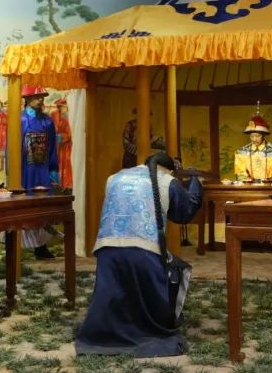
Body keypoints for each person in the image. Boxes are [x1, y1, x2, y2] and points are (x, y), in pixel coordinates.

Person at [75, 152, 203, 357]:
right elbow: (185, 212)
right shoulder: (168, 181)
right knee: (173, 271)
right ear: (169, 170)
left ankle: (106, 335)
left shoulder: (114, 178)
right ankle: (148, 331)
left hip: (107, 251)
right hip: (145, 253)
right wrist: (195, 182)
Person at [20, 85, 61, 259]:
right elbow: (12, 149)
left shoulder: (47, 122)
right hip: (25, 171)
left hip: (42, 171)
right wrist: (13, 172)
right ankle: (17, 248)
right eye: (37, 97)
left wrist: (53, 170)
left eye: (42, 97)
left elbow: (52, 148)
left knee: (42, 207)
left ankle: (41, 247)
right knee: (23, 206)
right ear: (27, 99)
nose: (41, 100)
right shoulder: (20, 120)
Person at [232, 107, 272, 184]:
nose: (254, 139)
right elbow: (240, 172)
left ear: (263, 135)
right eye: (252, 136)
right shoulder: (242, 152)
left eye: (257, 136)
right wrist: (247, 184)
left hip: (269, 185)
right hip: (248, 186)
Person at [51, 97, 74, 189]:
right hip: (60, 146)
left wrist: (61, 137)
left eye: (61, 107)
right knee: (60, 163)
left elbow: (70, 134)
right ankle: (62, 184)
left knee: (67, 164)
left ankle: (67, 184)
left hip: (67, 147)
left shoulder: (69, 118)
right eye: (59, 107)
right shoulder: (57, 115)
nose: (59, 109)